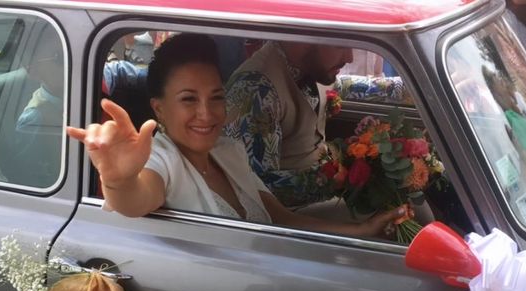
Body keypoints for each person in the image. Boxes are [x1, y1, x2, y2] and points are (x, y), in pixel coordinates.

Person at [66, 34, 407, 238]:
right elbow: (135, 198)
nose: (206, 113)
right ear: (159, 108)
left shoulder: (228, 149)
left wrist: (362, 233)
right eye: (188, 99)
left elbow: (281, 218)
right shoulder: (162, 159)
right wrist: (118, 180)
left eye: (216, 97)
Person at [224, 41, 354, 207]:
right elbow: (256, 189)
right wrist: (332, 180)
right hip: (289, 215)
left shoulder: (315, 67)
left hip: (323, 196)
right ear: (305, 38)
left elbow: (345, 86)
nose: (350, 58)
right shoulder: (256, 89)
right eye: (341, 46)